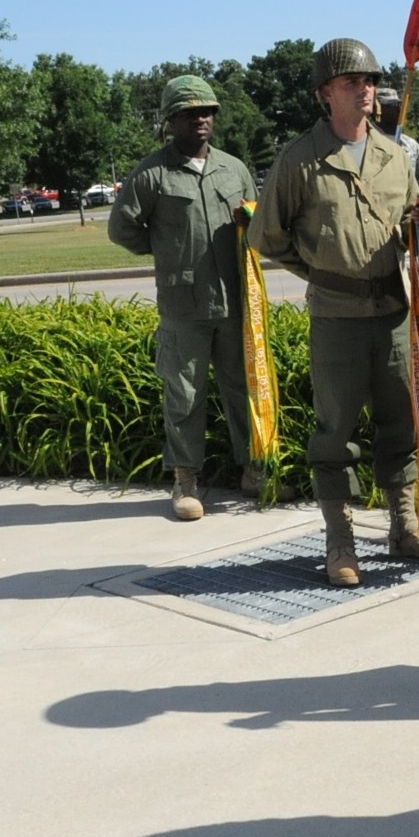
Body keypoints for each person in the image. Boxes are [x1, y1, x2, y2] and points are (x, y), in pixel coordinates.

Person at [248, 38, 419, 585]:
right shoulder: (300, 159)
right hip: (336, 317)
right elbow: (267, 236)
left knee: (399, 424)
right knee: (335, 432)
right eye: (351, 82)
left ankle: (405, 527)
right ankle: (340, 542)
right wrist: (322, 267)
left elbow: (411, 221)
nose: (365, 90)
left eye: (369, 81)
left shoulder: (395, 155)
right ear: (326, 93)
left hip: (393, 308)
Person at [107, 75, 271, 521]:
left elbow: (255, 222)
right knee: (184, 395)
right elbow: (121, 227)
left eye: (207, 111)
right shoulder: (153, 172)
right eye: (189, 112)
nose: (201, 119)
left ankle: (255, 471)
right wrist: (164, 249)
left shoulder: (234, 169)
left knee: (243, 390)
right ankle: (185, 481)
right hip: (184, 307)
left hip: (235, 301)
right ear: (170, 121)